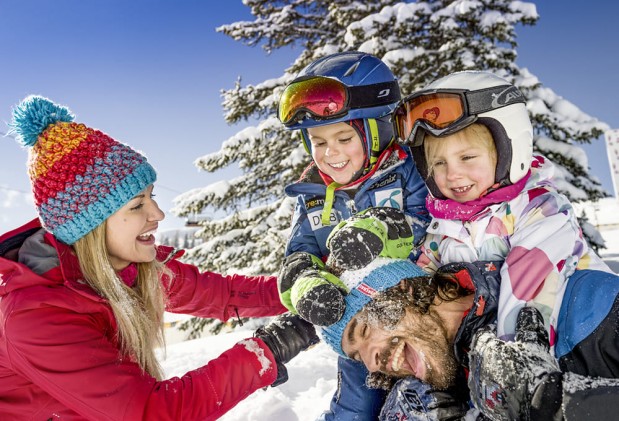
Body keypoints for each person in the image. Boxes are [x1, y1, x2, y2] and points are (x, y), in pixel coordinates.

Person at [0, 95, 319, 420]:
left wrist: (305, 288)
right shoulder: (36, 317)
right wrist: (265, 352)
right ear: (90, 227)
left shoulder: (126, 269)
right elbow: (152, 413)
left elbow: (223, 294)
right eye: (138, 205)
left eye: (151, 197)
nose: (158, 213)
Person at [316, 217, 619, 420]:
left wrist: (553, 401)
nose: (372, 362)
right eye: (357, 357)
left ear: (403, 288)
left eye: (365, 329)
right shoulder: (433, 399)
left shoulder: (588, 303)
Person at [391, 70, 612, 342]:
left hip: (589, 337)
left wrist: (513, 356)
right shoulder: (443, 229)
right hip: (505, 351)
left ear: (510, 150)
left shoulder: (539, 209)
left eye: (468, 157)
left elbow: (527, 291)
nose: (452, 174)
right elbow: (423, 284)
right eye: (439, 163)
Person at [276, 51, 431, 420]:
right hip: (358, 331)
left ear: (377, 129)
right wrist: (305, 283)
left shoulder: (406, 171)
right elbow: (298, 255)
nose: (330, 154)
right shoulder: (311, 195)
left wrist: (381, 229)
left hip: (415, 317)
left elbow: (430, 224)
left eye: (344, 137)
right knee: (354, 408)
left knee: (426, 397)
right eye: (318, 141)